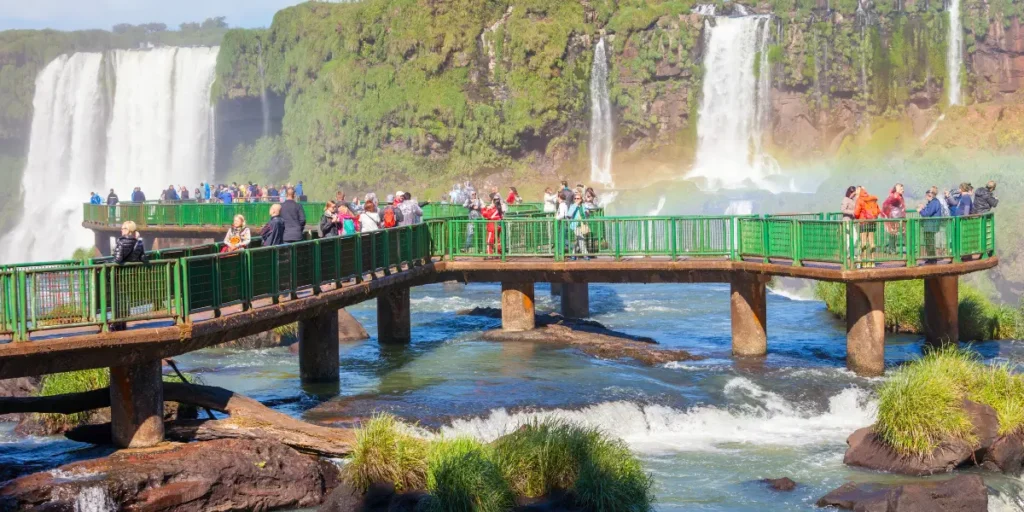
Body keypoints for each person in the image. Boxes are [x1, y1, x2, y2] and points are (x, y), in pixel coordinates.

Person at [854, 186, 880, 267]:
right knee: (872, 242)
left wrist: (858, 217)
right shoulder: (871, 198)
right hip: (872, 223)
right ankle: (872, 261)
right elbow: (878, 210)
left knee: (864, 242)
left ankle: (865, 262)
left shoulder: (859, 200)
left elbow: (856, 213)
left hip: (863, 223)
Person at [918, 189, 944, 261]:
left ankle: (932, 258)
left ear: (930, 195)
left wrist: (920, 210)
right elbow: (929, 211)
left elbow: (927, 214)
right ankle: (931, 257)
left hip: (931, 225)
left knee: (930, 242)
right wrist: (924, 208)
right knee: (929, 242)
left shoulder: (934, 202)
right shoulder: (933, 202)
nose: (926, 197)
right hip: (931, 225)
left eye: (927, 196)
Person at [881, 184, 906, 254]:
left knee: (897, 234)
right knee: (896, 234)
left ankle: (892, 249)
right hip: (895, 218)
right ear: (896, 189)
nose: (903, 190)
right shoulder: (895, 196)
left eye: (902, 188)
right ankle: (892, 249)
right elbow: (888, 204)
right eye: (901, 189)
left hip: (898, 217)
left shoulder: (899, 196)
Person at [567, 193, 590, 260]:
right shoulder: (572, 206)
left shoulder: (583, 205)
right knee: (581, 239)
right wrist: (576, 205)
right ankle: (585, 255)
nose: (576, 200)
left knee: (578, 240)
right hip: (575, 225)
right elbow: (569, 214)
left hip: (583, 225)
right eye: (575, 198)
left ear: (581, 199)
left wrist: (587, 213)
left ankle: (573, 255)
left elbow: (586, 214)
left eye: (578, 198)